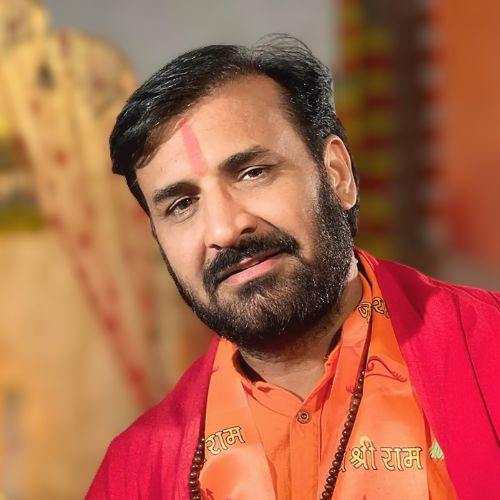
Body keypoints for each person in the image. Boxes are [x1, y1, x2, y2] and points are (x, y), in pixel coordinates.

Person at [86, 35, 499, 500]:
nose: (224, 229)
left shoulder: (489, 355)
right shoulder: (135, 472)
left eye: (252, 173)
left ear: (337, 174)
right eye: (182, 204)